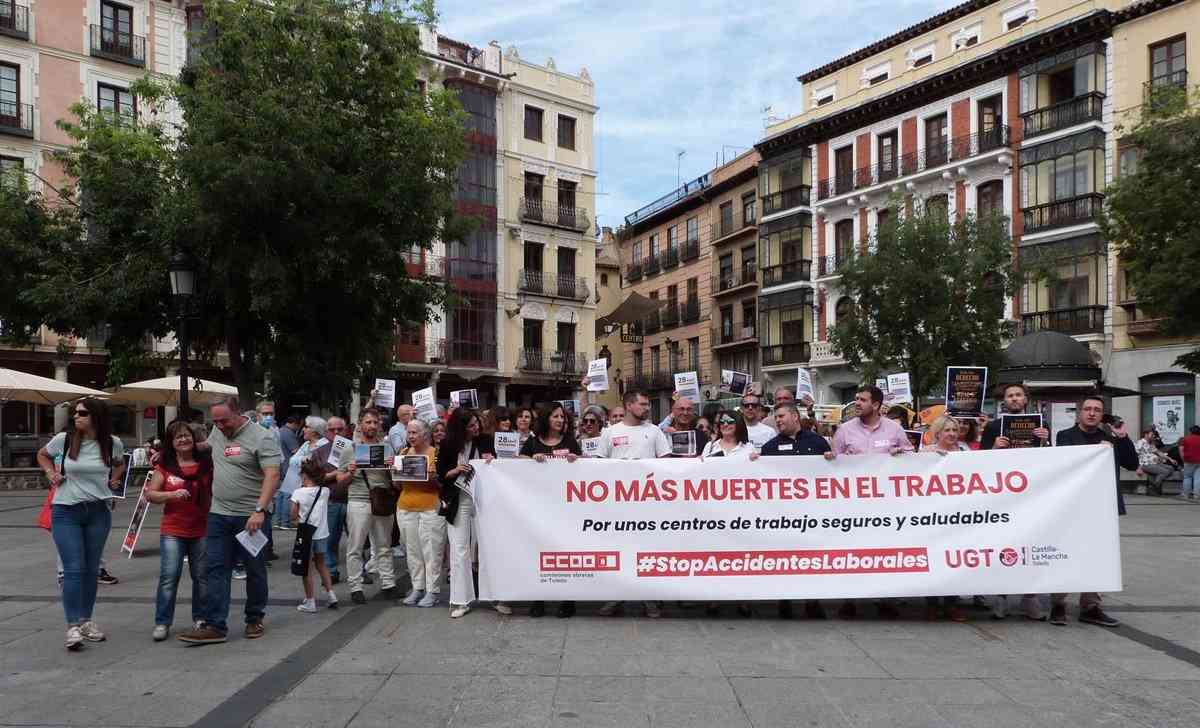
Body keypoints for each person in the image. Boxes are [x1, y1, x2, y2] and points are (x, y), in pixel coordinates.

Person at [177, 395, 281, 645]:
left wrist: (259, 510)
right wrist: (174, 450)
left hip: (250, 517)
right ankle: (215, 625)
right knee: (215, 569)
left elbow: (272, 475)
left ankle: (254, 618)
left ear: (238, 413)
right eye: (216, 421)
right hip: (219, 515)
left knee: (255, 570)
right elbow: (206, 447)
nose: (220, 426)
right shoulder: (217, 432)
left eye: (224, 421)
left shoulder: (262, 437)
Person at [36, 397, 126, 651]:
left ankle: (86, 621)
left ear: (96, 416)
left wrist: (114, 480)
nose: (76, 417)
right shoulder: (64, 440)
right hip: (66, 511)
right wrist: (50, 473)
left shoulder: (111, 443)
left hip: (98, 511)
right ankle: (72, 626)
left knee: (90, 570)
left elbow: (120, 464)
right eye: (75, 413)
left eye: (82, 413)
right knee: (73, 568)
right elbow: (42, 455)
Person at [1049, 396, 1138, 628]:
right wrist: (1094, 451)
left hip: (1103, 505)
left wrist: (1122, 437)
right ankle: (1058, 603)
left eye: (1096, 410)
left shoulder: (1112, 437)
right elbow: (1064, 464)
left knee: (1097, 555)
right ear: (1079, 413)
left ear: (1102, 415)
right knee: (1066, 552)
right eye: (1087, 409)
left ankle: (1091, 605)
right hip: (1073, 505)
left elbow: (1131, 463)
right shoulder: (1065, 436)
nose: (1091, 413)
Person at [825, 385, 913, 619]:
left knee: (884, 551)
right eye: (855, 399)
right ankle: (849, 599)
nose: (857, 403)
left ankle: (885, 599)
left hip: (886, 505)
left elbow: (913, 461)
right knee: (851, 551)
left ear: (876, 405)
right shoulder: (844, 431)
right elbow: (833, 464)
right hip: (853, 505)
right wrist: (831, 458)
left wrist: (902, 457)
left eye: (862, 400)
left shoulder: (895, 430)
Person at [596, 391, 671, 618]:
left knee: (645, 553)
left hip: (647, 505)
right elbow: (598, 466)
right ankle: (615, 596)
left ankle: (649, 599)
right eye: (643, 404)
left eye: (648, 404)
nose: (647, 408)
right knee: (619, 552)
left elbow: (666, 464)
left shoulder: (654, 431)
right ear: (629, 405)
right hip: (618, 505)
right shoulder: (610, 433)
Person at [980, 383, 1049, 621]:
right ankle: (1001, 597)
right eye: (1010, 396)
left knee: (1031, 544)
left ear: (1026, 399)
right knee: (1003, 545)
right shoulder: (993, 426)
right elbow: (978, 461)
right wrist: (992, 448)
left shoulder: (1041, 424)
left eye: (1018, 395)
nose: (1015, 399)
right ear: (1004, 401)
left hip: (1031, 493)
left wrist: (1046, 440)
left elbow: (1050, 460)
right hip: (1003, 496)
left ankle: (1030, 598)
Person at [757, 403, 831, 620]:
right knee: (784, 556)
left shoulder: (817, 442)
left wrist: (833, 459)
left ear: (795, 416)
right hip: (783, 514)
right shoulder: (770, 447)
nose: (777, 420)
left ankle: (812, 601)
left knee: (811, 557)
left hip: (811, 514)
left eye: (781, 416)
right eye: (776, 417)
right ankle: (785, 600)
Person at [144, 420, 212, 642]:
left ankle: (201, 619)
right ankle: (162, 622)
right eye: (178, 437)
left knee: (201, 577)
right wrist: (171, 495)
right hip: (173, 529)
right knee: (169, 577)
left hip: (201, 529)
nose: (183, 440)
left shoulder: (206, 464)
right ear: (171, 443)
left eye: (187, 436)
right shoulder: (165, 467)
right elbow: (151, 495)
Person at [520, 403, 583, 618]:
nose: (560, 420)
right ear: (547, 418)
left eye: (562, 418)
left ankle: (568, 600)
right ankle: (538, 599)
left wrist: (576, 460)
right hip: (539, 507)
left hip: (566, 508)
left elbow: (585, 467)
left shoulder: (569, 442)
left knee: (566, 553)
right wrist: (530, 460)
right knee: (539, 553)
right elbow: (516, 464)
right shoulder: (533, 442)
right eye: (556, 416)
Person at [437, 409, 496, 618]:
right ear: (460, 428)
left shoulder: (486, 441)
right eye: (471, 425)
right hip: (458, 500)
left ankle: (496, 596)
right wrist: (454, 471)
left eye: (476, 423)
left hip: (483, 500)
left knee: (489, 547)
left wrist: (491, 460)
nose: (476, 428)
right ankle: (460, 600)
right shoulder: (447, 445)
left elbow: (495, 469)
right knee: (459, 549)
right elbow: (440, 475)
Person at [343, 407, 399, 604]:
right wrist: (350, 471)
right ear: (360, 425)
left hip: (382, 499)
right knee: (355, 546)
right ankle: (355, 587)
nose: (372, 426)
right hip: (359, 500)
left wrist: (394, 469)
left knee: (384, 545)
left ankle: (388, 584)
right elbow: (340, 480)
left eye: (375, 422)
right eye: (368, 422)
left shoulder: (387, 448)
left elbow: (395, 482)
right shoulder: (350, 449)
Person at [921, 415, 969, 622]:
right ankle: (931, 604)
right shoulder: (925, 453)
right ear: (937, 433)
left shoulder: (966, 452)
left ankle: (952, 603)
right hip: (933, 514)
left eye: (954, 430)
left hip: (958, 514)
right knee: (934, 557)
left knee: (955, 558)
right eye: (947, 430)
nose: (951, 434)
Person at [396, 419, 446, 608]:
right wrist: (395, 473)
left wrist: (430, 476)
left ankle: (432, 591)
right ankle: (417, 587)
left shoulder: (435, 454)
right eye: (409, 433)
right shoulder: (402, 453)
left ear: (425, 434)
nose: (411, 436)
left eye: (415, 433)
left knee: (432, 550)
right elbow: (398, 485)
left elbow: (440, 484)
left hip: (430, 508)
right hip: (405, 506)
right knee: (412, 550)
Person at [290, 457, 337, 612]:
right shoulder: (325, 491)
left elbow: (293, 516)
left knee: (307, 569)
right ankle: (331, 595)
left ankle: (310, 601)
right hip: (322, 533)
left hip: (307, 535)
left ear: (304, 476)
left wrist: (297, 521)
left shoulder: (298, 493)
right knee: (321, 564)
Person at [310, 416, 353, 584]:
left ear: (346, 430)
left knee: (357, 540)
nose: (336, 433)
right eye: (332, 429)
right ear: (326, 432)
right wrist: (337, 473)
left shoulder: (355, 447)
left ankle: (360, 571)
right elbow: (314, 478)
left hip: (353, 499)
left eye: (340, 429)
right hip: (331, 501)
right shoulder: (318, 452)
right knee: (331, 540)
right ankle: (331, 572)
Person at [274, 415, 306, 531]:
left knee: (281, 495)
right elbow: (296, 451)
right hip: (290, 468)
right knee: (288, 495)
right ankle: (286, 522)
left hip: (281, 466)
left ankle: (279, 521)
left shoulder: (280, 431)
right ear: (295, 423)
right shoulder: (289, 434)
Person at [1136, 428, 1179, 496]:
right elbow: (1135, 455)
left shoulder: (1150, 444)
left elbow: (1159, 453)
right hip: (1146, 464)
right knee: (1165, 471)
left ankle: (1154, 484)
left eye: (1153, 435)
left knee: (1171, 468)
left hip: (1154, 463)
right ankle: (1153, 487)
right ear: (1146, 434)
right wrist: (1138, 467)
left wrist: (1170, 459)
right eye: (1152, 434)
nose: (1153, 436)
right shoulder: (1140, 443)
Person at [1181, 425, 1200, 501]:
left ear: (1191, 431)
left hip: (1188, 461)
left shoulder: (1186, 439)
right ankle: (1197, 495)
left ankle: (1186, 494)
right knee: (1198, 478)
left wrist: (1184, 460)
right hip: (1199, 461)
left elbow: (1182, 450)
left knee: (1187, 477)